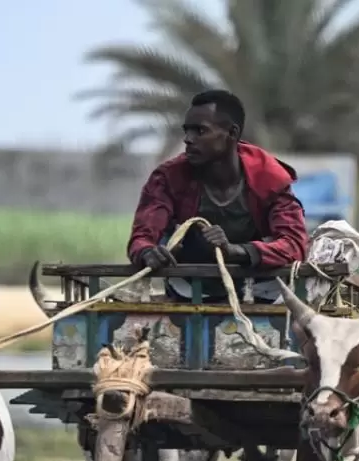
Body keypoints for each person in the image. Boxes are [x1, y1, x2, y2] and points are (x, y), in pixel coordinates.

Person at [126, 89, 309, 302]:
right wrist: (147, 252)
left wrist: (236, 251)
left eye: (200, 131)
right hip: (191, 289)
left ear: (232, 133)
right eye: (187, 131)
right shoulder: (167, 178)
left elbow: (294, 245)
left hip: (260, 290)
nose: (188, 139)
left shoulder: (270, 178)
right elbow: (141, 237)